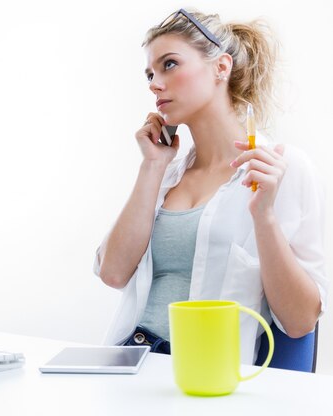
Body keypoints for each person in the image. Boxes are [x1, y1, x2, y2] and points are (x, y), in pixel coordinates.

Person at [93, 8, 327, 364]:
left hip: (204, 373)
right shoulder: (166, 172)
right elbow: (112, 274)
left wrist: (264, 217)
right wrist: (152, 166)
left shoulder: (281, 168)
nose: (155, 83)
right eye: (150, 74)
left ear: (221, 67)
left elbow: (300, 322)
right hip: (129, 358)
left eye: (169, 64)